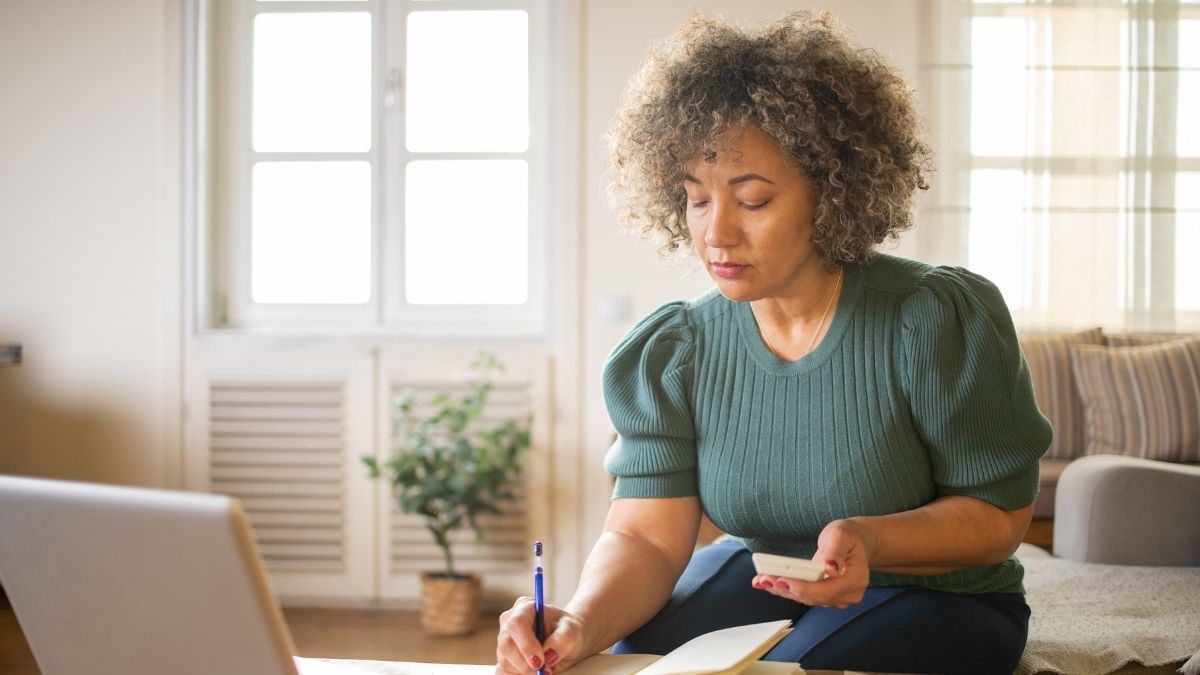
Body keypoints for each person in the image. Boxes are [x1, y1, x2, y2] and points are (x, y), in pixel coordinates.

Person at [496, 11, 1050, 675]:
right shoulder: (677, 351)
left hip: (939, 592)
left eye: (752, 199)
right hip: (765, 572)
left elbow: (1000, 515)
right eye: (696, 199)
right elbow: (644, 534)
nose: (716, 232)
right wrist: (580, 620)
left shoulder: (932, 318)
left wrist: (871, 539)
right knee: (628, 654)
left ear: (831, 193)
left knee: (793, 670)